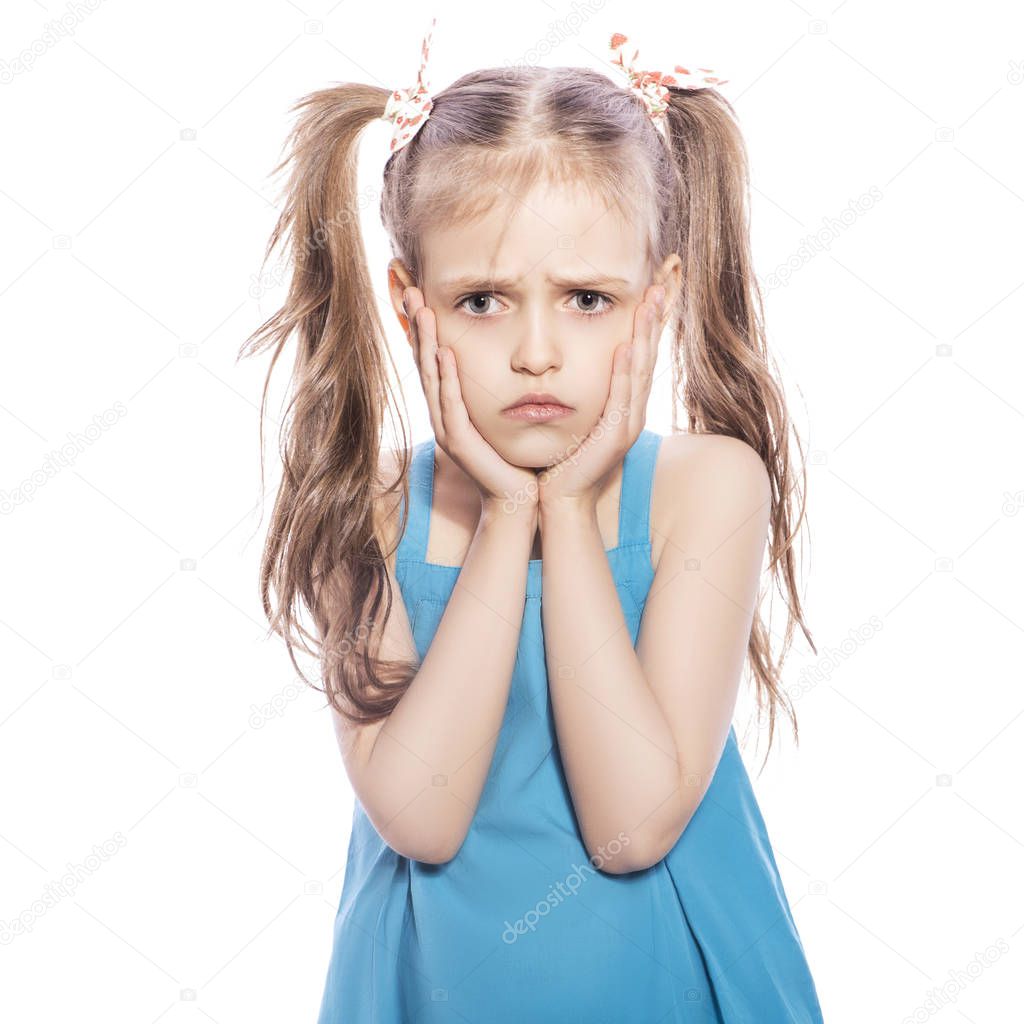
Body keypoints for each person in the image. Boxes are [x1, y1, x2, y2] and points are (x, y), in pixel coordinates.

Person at [240, 18, 825, 1023]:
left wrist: (563, 508)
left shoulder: (709, 485)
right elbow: (421, 816)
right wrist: (512, 511)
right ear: (409, 305)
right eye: (482, 302)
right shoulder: (367, 507)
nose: (537, 352)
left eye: (587, 298)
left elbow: (629, 826)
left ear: (658, 300)